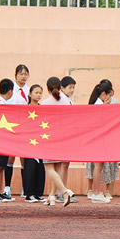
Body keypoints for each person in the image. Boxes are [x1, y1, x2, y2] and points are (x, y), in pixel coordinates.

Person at [39, 76, 75, 207]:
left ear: (48, 89)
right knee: (58, 167)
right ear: (60, 88)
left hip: (48, 137)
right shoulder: (66, 102)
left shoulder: (44, 103)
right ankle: (51, 196)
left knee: (49, 168)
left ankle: (65, 191)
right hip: (62, 138)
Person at [85, 80, 115, 204]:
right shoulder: (98, 105)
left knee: (99, 166)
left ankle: (96, 191)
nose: (110, 98)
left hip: (98, 138)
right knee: (98, 166)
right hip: (98, 138)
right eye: (109, 95)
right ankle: (96, 192)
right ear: (103, 93)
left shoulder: (97, 103)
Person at [5, 64, 31, 198]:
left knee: (23, 158)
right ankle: (7, 187)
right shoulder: (11, 90)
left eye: (26, 74)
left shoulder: (29, 91)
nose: (23, 76)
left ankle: (25, 187)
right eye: (21, 74)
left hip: (24, 127)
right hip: (11, 126)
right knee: (10, 157)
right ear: (15, 75)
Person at [0, 79, 16, 203]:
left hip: (2, 141)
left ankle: (0, 191)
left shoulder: (1, 103)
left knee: (2, 167)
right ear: (10, 92)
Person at [23, 84, 46, 203]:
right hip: (29, 141)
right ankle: (29, 193)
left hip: (41, 140)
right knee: (30, 167)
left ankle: (38, 193)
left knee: (40, 167)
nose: (38, 95)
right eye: (36, 92)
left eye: (40, 93)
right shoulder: (25, 108)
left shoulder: (42, 108)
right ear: (30, 94)